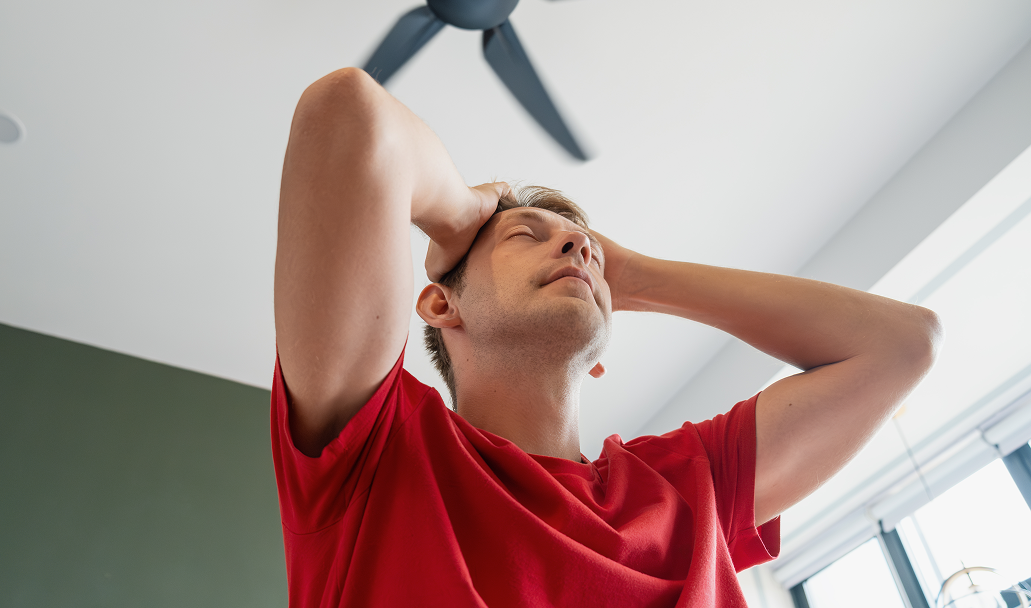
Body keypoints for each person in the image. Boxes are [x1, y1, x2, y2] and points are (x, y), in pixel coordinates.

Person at [271, 68, 942, 607]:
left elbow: (904, 342)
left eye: (586, 250)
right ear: (442, 304)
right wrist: (464, 215)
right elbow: (348, 110)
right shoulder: (375, 455)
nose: (575, 246)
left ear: (599, 362)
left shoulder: (686, 487)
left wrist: (634, 277)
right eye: (525, 237)